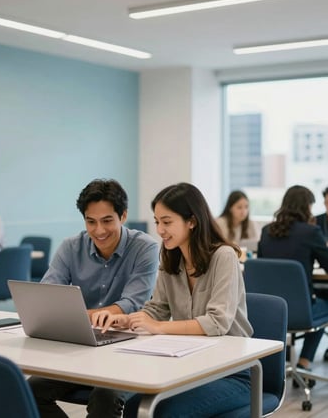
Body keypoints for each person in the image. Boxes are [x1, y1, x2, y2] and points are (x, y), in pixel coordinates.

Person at [93, 182, 254, 418]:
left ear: (192, 221)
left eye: (167, 222)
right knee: (131, 406)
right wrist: (126, 321)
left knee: (164, 413)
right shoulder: (171, 258)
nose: (159, 230)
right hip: (188, 367)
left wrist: (157, 327)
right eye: (157, 222)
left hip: (231, 372)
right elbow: (157, 308)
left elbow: (217, 322)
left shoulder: (224, 256)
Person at [28, 178, 159, 418]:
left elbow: (132, 303)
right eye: (91, 222)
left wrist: (74, 316)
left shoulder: (145, 248)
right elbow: (48, 297)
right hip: (82, 348)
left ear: (123, 216)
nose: (99, 230)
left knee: (105, 396)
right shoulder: (70, 246)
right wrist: (76, 318)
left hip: (128, 350)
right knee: (29, 390)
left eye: (107, 220)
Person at [257, 185, 328, 381]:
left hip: (270, 312)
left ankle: (288, 363)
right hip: (300, 312)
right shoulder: (311, 232)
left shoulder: (265, 231)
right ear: (306, 207)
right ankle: (305, 361)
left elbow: (264, 269)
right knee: (325, 300)